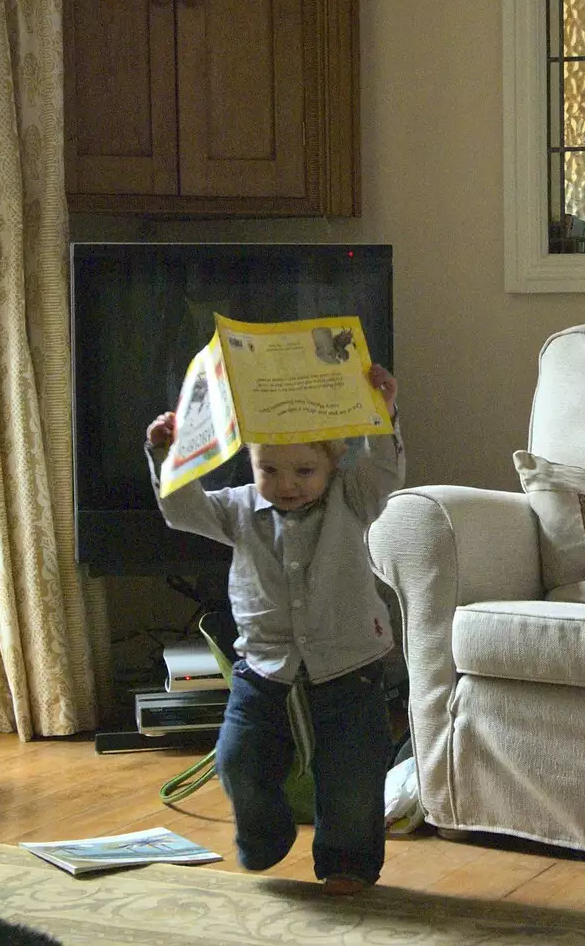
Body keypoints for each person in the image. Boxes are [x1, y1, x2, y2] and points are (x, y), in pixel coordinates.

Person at [145, 363, 402, 895]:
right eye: (269, 469)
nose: (286, 485)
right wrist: (167, 454)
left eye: (304, 471)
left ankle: (346, 864)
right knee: (237, 757)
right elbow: (181, 508)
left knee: (352, 774)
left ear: (333, 463)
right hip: (262, 665)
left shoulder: (353, 498)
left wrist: (381, 412)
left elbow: (384, 472)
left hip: (349, 666)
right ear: (251, 462)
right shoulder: (238, 509)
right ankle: (266, 835)